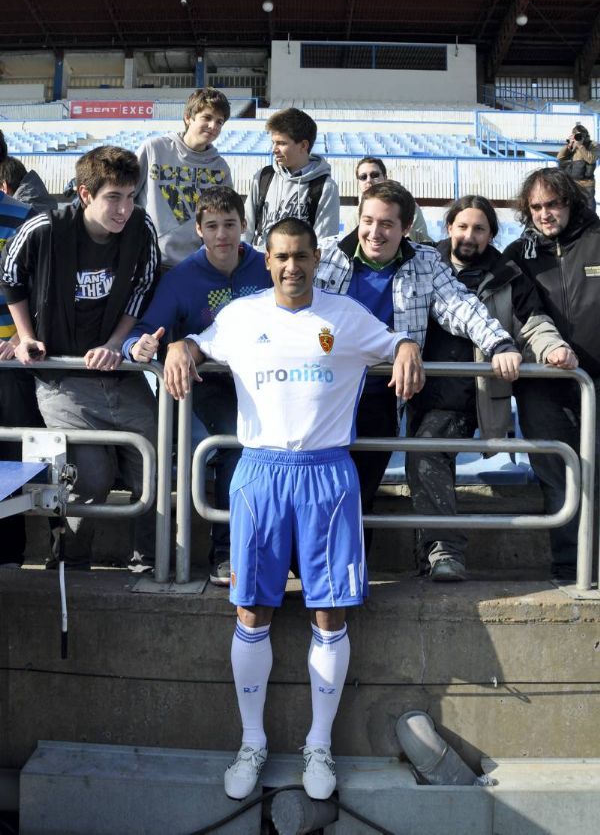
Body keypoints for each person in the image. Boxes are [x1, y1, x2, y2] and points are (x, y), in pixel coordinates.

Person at [162, 216, 424, 802]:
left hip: (328, 474)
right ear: (268, 258)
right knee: (252, 610)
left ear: (315, 257)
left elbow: (393, 342)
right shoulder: (243, 314)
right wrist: (181, 347)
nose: (291, 267)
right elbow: (198, 343)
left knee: (329, 614)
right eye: (280, 256)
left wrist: (407, 345)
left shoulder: (345, 317)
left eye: (301, 256)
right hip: (259, 474)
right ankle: (252, 742)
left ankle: (319, 743)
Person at [315, 180, 522, 553]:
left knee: (359, 489)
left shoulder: (425, 263)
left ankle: (348, 573)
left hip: (378, 398)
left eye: (387, 224)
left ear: (406, 228)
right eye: (368, 220)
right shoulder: (326, 254)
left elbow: (461, 306)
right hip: (321, 395)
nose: (374, 233)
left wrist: (499, 343)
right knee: (319, 489)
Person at [0, 146, 160, 572]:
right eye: (114, 197)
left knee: (155, 460)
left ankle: (152, 559)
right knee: (90, 474)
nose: (124, 208)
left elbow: (143, 288)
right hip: (62, 377)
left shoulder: (141, 228)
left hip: (120, 374)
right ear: (85, 194)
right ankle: (70, 560)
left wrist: (114, 343)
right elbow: (10, 276)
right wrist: (27, 337)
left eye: (131, 195)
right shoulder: (45, 226)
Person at [405, 194, 577, 581]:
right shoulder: (421, 265)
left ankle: (444, 552)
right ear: (447, 228)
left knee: (427, 452)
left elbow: (533, 323)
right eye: (462, 226)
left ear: (492, 235)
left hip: (473, 397)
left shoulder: (507, 275)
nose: (469, 235)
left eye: (479, 229)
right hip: (420, 391)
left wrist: (555, 349)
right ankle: (429, 554)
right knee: (421, 457)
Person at [122, 186, 271, 586]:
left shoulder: (267, 266)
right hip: (209, 387)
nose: (222, 235)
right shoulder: (182, 277)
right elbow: (140, 333)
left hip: (266, 384)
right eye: (212, 226)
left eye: (230, 225)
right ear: (199, 231)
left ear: (245, 226)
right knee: (232, 445)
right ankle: (225, 553)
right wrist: (145, 345)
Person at [503, 167, 598, 582]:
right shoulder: (515, 254)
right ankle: (568, 567)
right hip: (542, 386)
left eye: (553, 204)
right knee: (556, 476)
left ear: (570, 202)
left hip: (597, 379)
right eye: (536, 206)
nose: (545, 213)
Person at [135, 88, 232, 269]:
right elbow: (127, 196)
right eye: (207, 118)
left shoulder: (220, 169)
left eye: (219, 122)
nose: (214, 126)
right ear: (188, 117)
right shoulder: (153, 149)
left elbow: (223, 218)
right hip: (147, 261)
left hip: (194, 265)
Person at [0, 180, 45, 567]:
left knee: (10, 461)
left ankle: (10, 556)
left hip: (11, 363)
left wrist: (19, 336)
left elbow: (41, 286)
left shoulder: (25, 217)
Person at [243, 107, 339, 250]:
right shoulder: (263, 177)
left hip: (297, 269)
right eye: (273, 142)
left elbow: (324, 244)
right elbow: (246, 229)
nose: (274, 149)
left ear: (303, 145)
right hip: (259, 266)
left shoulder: (325, 186)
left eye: (281, 143)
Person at [355, 157, 429, 242]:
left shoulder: (408, 206)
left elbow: (423, 242)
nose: (369, 180)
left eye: (374, 175)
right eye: (363, 177)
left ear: (385, 177)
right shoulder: (353, 217)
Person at [556, 123, 599, 207]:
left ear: (586, 135)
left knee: (588, 209)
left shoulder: (593, 145)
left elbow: (591, 159)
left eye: (581, 135)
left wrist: (580, 145)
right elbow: (559, 158)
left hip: (587, 184)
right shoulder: (573, 144)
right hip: (572, 183)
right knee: (572, 208)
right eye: (576, 135)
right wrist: (569, 146)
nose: (578, 138)